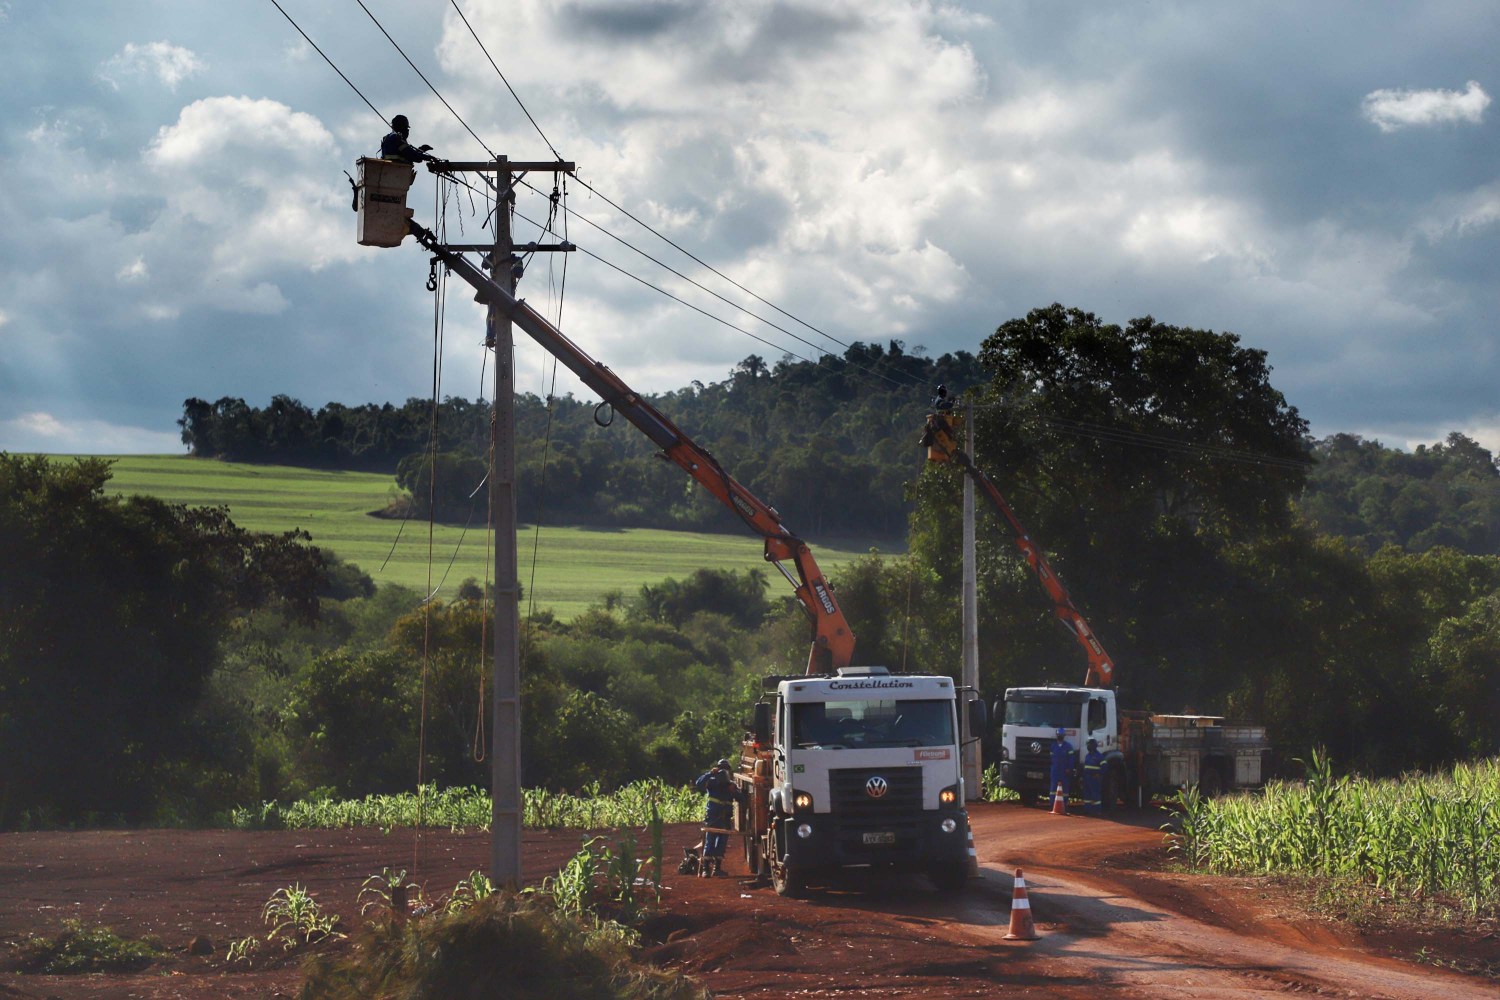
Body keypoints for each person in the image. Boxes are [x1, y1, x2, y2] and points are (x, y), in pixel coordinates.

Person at [693, 758, 738, 876]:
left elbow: (741, 799)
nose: (723, 771)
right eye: (721, 768)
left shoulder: (731, 785)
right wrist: (710, 773)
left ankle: (716, 869)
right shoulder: (712, 782)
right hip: (713, 817)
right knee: (710, 841)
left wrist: (734, 791)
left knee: (721, 843)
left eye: (725, 769)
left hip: (725, 818)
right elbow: (698, 784)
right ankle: (705, 869)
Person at [1049, 727, 1074, 804]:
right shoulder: (1053, 746)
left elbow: (1071, 759)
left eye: (1061, 735)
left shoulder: (1068, 746)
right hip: (1055, 770)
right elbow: (1051, 758)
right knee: (1053, 788)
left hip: (1064, 770)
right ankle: (1052, 803)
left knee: (1065, 788)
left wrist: (1069, 768)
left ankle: (1064, 804)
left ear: (1064, 736)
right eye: (1059, 734)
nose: (1060, 736)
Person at [1081, 738, 1105, 816]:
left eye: (1089, 745)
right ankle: (1087, 810)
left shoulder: (1099, 756)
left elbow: (1104, 766)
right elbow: (1085, 767)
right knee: (1087, 795)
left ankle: (1097, 811)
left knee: (1095, 795)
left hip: (1094, 778)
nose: (1088, 746)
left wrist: (1099, 774)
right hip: (1087, 778)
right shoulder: (1087, 756)